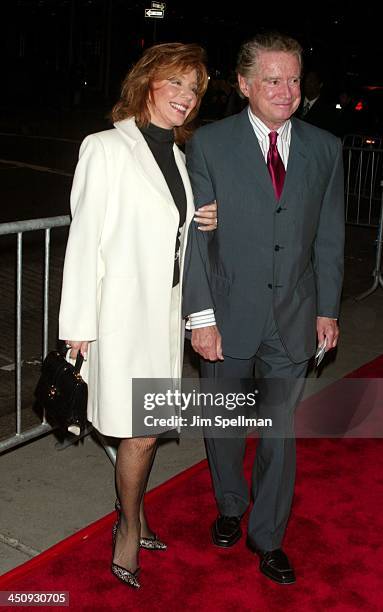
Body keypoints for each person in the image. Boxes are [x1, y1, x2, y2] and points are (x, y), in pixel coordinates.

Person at [183, 32, 344, 584]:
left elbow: (329, 236)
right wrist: (199, 317)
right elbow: (194, 240)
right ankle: (230, 505)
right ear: (246, 84)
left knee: (279, 431)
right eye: (272, 79)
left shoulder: (326, 148)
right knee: (224, 425)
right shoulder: (208, 144)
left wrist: (327, 308)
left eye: (294, 79)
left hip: (295, 316)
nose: (286, 90)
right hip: (228, 314)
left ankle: (268, 534)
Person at [58, 42, 217, 589]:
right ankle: (127, 526)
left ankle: (137, 511)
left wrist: (204, 221)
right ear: (147, 82)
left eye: (194, 89)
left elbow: (172, 231)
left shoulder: (176, 154)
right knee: (142, 433)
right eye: (176, 83)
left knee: (142, 432)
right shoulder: (104, 147)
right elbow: (83, 243)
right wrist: (77, 329)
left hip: (164, 317)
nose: (187, 97)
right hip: (120, 319)